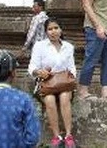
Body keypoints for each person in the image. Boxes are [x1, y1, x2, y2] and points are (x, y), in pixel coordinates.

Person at [28, 17, 77, 147]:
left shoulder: (68, 47)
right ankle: (56, 136)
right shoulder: (39, 46)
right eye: (50, 29)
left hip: (64, 83)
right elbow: (32, 67)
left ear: (61, 30)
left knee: (64, 97)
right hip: (47, 84)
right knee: (49, 100)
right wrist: (39, 72)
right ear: (46, 32)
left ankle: (68, 135)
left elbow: (72, 67)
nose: (53, 31)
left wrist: (71, 77)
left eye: (56, 28)